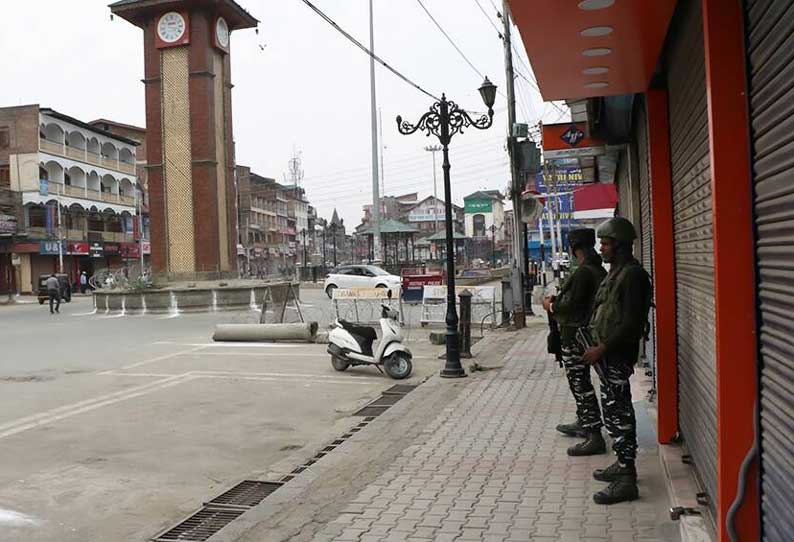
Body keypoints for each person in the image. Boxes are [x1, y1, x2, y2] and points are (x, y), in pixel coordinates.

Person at [582, 217, 652, 505]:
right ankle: (622, 464)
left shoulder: (633, 276)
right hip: (606, 355)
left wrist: (603, 348)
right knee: (612, 412)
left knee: (619, 413)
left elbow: (632, 323)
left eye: (606, 243)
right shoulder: (617, 273)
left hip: (616, 355)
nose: (602, 249)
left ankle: (627, 478)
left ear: (621, 246)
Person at [543, 228, 607, 456]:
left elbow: (569, 305)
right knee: (581, 382)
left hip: (578, 336)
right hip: (588, 335)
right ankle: (584, 420)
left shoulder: (583, 273)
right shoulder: (597, 269)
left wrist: (550, 305)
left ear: (573, 248)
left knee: (580, 384)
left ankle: (593, 433)